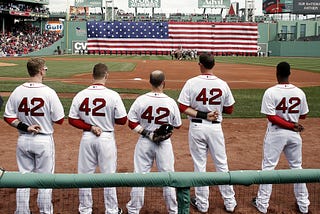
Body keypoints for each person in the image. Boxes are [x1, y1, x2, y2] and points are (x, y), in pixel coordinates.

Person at [3, 57, 65, 214]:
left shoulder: (18, 90)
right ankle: (45, 211)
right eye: (45, 69)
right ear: (40, 71)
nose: (45, 71)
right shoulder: (49, 92)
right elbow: (59, 120)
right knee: (45, 179)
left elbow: (8, 117)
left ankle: (22, 211)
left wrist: (26, 126)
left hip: (23, 140)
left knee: (23, 179)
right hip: (43, 141)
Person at [177, 52, 237, 213]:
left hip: (197, 128)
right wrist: (216, 109)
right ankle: (230, 203)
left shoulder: (191, 82)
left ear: (200, 64)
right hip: (215, 128)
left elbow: (182, 107)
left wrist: (202, 112)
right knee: (222, 164)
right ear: (214, 64)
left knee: (199, 165)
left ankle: (203, 205)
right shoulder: (222, 84)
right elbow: (230, 109)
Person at [251, 61, 310, 214]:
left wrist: (288, 124)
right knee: (297, 168)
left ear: (277, 73)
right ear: (290, 73)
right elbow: (303, 115)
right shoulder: (299, 92)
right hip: (294, 135)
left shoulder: (271, 92)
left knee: (268, 168)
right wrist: (292, 123)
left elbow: (271, 117)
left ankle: (262, 204)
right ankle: (304, 205)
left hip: (276, 134)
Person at [68, 63, 127, 214]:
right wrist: (107, 119)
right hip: (106, 137)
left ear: (92, 75)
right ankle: (112, 210)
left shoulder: (81, 94)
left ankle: (85, 210)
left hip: (87, 138)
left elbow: (72, 119)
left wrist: (89, 126)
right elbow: (122, 120)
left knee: (84, 176)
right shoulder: (113, 95)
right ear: (106, 75)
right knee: (109, 176)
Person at [126, 70, 182, 214]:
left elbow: (131, 122)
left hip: (144, 142)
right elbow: (178, 125)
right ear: (164, 83)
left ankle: (133, 210)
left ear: (150, 82)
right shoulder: (170, 102)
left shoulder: (141, 100)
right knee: (168, 177)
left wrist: (148, 133)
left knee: (139, 176)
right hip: (164, 145)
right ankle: (173, 210)